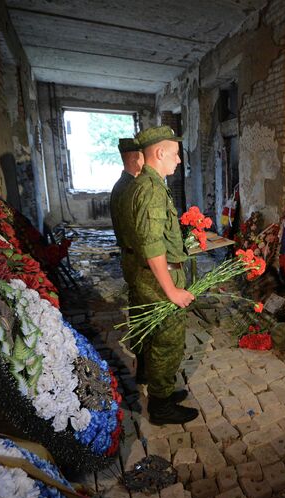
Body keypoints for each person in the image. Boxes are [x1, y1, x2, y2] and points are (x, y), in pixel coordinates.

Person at [120, 125, 198, 424]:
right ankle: (161, 406)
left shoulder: (142, 184)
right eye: (176, 154)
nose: (179, 160)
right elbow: (152, 247)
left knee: (154, 339)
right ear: (160, 153)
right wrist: (172, 290)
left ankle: (159, 390)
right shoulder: (151, 189)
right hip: (157, 280)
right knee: (168, 341)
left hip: (146, 278)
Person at [109, 137, 147, 382]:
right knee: (144, 315)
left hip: (132, 260)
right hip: (137, 263)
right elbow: (137, 235)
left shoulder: (122, 185)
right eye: (144, 156)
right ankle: (144, 369)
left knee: (140, 313)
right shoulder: (129, 189)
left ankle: (144, 366)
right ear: (136, 158)